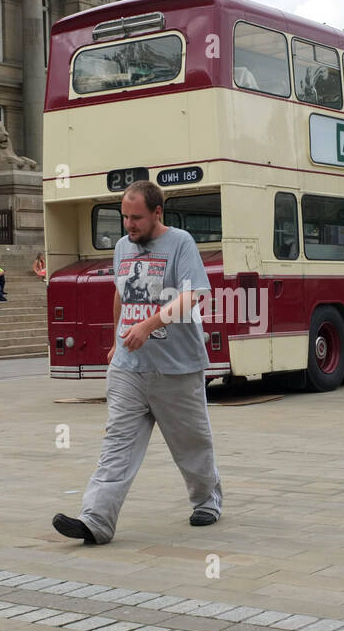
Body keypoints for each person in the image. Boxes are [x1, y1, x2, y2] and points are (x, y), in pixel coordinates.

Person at [52, 180, 221, 545]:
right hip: (129, 368)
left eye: (136, 218)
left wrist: (149, 324)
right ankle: (95, 521)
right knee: (116, 444)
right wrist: (117, 340)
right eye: (124, 217)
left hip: (177, 367)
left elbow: (194, 296)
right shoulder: (122, 247)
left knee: (191, 442)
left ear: (157, 213)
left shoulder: (181, 243)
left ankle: (207, 499)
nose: (129, 225)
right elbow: (120, 293)